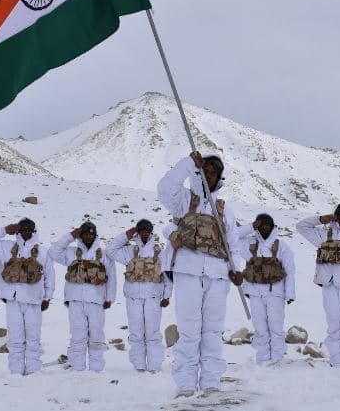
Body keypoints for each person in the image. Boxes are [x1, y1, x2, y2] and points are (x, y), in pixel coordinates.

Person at [157, 151, 243, 398]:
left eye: (213, 173)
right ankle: (185, 382)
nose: (209, 175)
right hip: (187, 271)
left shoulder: (225, 210)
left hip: (217, 275)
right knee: (190, 329)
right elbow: (164, 188)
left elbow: (233, 245)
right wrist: (187, 164)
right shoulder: (184, 200)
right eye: (205, 171)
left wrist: (236, 269)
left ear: (219, 178)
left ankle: (211, 381)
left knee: (213, 331)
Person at [296, 204, 340, 368]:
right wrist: (321, 219)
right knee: (334, 324)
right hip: (329, 286)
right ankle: (337, 361)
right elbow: (301, 227)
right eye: (338, 217)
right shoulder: (323, 235)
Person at [0, 218, 54, 375]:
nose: (26, 233)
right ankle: (15, 372)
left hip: (34, 301)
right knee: (15, 339)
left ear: (34, 231)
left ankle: (33, 370)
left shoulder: (42, 252)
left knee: (33, 338)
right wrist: (4, 230)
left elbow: (50, 276)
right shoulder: (8, 248)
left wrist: (47, 298)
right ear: (18, 231)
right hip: (13, 301)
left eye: (29, 230)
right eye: (23, 230)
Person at [106, 219, 172, 372]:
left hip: (153, 299)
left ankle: (154, 366)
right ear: (137, 232)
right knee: (136, 333)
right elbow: (110, 250)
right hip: (133, 299)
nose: (144, 233)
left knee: (153, 333)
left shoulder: (158, 252)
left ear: (150, 232)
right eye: (140, 230)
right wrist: (126, 235)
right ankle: (139, 367)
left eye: (146, 231)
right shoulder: (129, 251)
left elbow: (167, 273)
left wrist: (167, 296)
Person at [50, 221, 116, 372]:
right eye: (85, 234)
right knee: (78, 335)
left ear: (95, 235)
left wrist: (109, 297)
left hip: (96, 300)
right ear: (81, 235)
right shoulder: (71, 252)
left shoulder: (103, 253)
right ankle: (77, 367)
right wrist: (70, 236)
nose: (88, 237)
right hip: (75, 300)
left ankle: (96, 368)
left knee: (96, 335)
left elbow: (111, 277)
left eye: (90, 234)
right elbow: (53, 252)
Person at [238, 213, 295, 365]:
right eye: (261, 225)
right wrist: (251, 226)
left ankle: (277, 359)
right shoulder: (249, 243)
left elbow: (289, 270)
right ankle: (262, 360)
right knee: (260, 328)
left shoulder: (281, 246)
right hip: (255, 293)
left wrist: (290, 293)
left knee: (276, 327)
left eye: (267, 225)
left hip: (275, 293)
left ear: (272, 226)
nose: (264, 227)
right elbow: (232, 237)